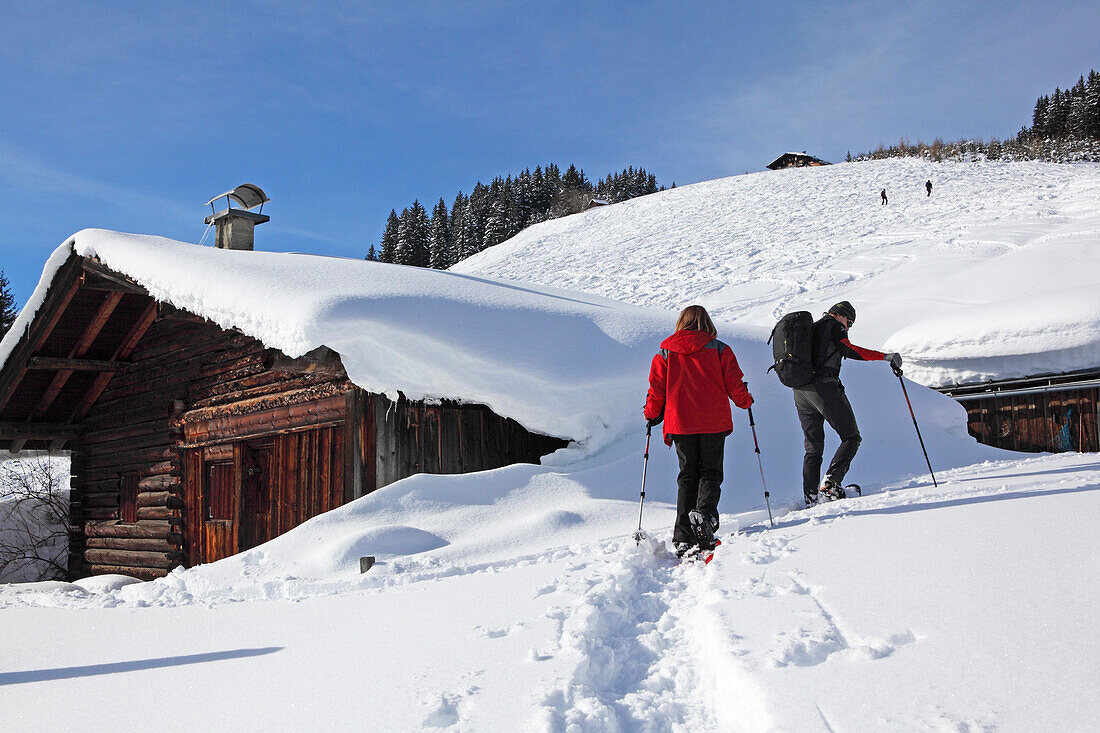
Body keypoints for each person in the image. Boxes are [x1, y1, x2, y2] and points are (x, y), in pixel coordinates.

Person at [643, 305, 754, 556]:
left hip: (680, 423)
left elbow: (656, 388)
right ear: (707, 322)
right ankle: (704, 517)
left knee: (687, 475)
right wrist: (745, 401)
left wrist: (650, 413)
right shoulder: (720, 349)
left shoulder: (665, 351)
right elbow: (734, 384)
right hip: (713, 421)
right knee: (711, 472)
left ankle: (682, 535)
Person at [794, 301, 901, 506]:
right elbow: (849, 349)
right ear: (842, 316)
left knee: (813, 448)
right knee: (851, 437)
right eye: (849, 323)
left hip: (800, 392)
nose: (848, 328)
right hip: (824, 389)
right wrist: (885, 357)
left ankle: (811, 497)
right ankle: (831, 484)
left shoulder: (812, 328)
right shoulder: (834, 326)